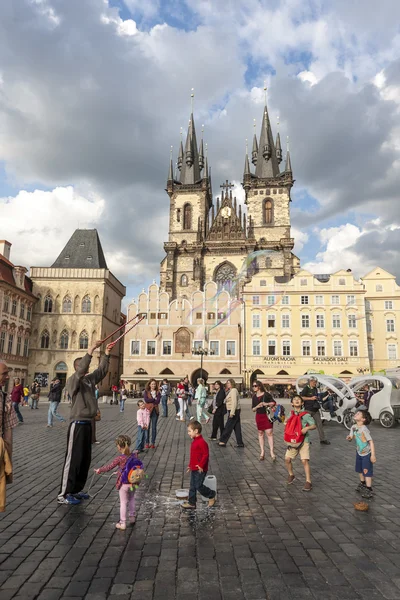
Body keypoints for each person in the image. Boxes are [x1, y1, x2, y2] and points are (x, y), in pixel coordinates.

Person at [57, 340, 114, 505]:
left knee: (84, 459)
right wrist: (90, 351)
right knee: (73, 459)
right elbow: (82, 369)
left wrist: (107, 354)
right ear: (77, 367)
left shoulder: (89, 380)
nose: (86, 368)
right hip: (77, 424)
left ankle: (76, 489)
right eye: (83, 366)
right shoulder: (73, 381)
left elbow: (102, 371)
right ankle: (64, 494)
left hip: (88, 423)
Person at [94, 435, 143, 530]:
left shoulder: (119, 458)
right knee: (132, 499)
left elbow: (109, 467)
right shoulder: (134, 455)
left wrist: (99, 470)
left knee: (123, 502)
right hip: (133, 483)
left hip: (124, 484)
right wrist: (120, 471)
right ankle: (132, 518)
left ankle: (122, 523)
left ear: (119, 447)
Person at [181, 420, 216, 509]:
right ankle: (192, 502)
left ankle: (211, 494)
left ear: (196, 431)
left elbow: (205, 455)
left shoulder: (202, 442)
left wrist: (201, 465)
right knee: (192, 486)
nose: (188, 433)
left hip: (200, 469)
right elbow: (193, 456)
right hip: (194, 468)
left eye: (189, 431)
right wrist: (190, 465)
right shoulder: (195, 441)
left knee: (198, 485)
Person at [285, 395, 316, 491]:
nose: (297, 400)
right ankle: (291, 474)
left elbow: (314, 425)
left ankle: (308, 481)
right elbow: (285, 422)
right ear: (292, 404)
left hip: (303, 440)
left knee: (304, 461)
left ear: (302, 403)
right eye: (294, 399)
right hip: (293, 441)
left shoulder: (306, 415)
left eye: (299, 399)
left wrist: (307, 428)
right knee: (287, 459)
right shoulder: (290, 414)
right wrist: (284, 420)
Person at [347, 409, 376, 500]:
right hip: (359, 452)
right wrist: (349, 438)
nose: (356, 414)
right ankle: (362, 483)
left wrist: (373, 455)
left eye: (359, 414)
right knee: (360, 469)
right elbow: (351, 436)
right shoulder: (353, 427)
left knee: (366, 471)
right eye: (356, 413)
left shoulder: (364, 429)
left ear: (363, 419)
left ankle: (369, 489)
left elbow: (371, 442)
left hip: (366, 453)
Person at [301, 377, 330, 445]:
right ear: (311, 381)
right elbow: (302, 397)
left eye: (316, 382)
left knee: (319, 424)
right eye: (314, 382)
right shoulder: (306, 388)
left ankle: (322, 439)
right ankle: (304, 439)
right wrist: (311, 398)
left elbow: (316, 396)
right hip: (308, 409)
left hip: (315, 409)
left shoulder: (315, 389)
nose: (315, 383)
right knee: (304, 424)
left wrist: (317, 398)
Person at [251, 380, 276, 461]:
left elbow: (273, 402)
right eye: (253, 386)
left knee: (269, 433)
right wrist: (257, 406)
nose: (254, 387)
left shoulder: (266, 394)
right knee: (260, 433)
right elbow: (253, 409)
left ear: (259, 386)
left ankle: (272, 452)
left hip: (266, 415)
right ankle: (262, 452)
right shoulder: (254, 397)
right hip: (259, 416)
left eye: (255, 386)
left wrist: (266, 404)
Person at [0, 361, 17, 473]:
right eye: (4, 373)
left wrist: (8, 460)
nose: (8, 376)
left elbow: (8, 433)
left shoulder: (5, 398)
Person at [218, 379, 244, 447]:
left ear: (232, 383)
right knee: (237, 427)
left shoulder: (233, 390)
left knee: (228, 426)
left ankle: (223, 441)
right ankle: (240, 442)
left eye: (229, 383)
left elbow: (234, 402)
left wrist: (232, 413)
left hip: (234, 410)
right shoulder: (231, 391)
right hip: (235, 410)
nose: (227, 384)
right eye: (227, 383)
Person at [143, 379, 160, 449]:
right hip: (148, 411)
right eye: (152, 384)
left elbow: (158, 401)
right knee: (147, 427)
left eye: (154, 384)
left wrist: (153, 400)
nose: (153, 385)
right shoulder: (146, 392)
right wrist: (153, 399)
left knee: (154, 428)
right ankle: (147, 442)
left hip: (155, 411)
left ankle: (152, 443)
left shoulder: (158, 392)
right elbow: (146, 400)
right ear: (149, 385)